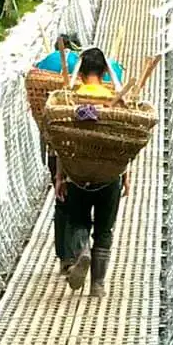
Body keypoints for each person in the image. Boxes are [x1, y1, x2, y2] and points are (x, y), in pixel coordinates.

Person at [55, 47, 128, 301]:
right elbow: (125, 141)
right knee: (105, 230)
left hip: (78, 173)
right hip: (110, 175)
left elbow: (61, 141)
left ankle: (81, 251)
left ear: (82, 72)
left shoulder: (69, 100)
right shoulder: (117, 101)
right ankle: (97, 285)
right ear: (105, 73)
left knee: (77, 222)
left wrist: (60, 176)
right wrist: (125, 174)